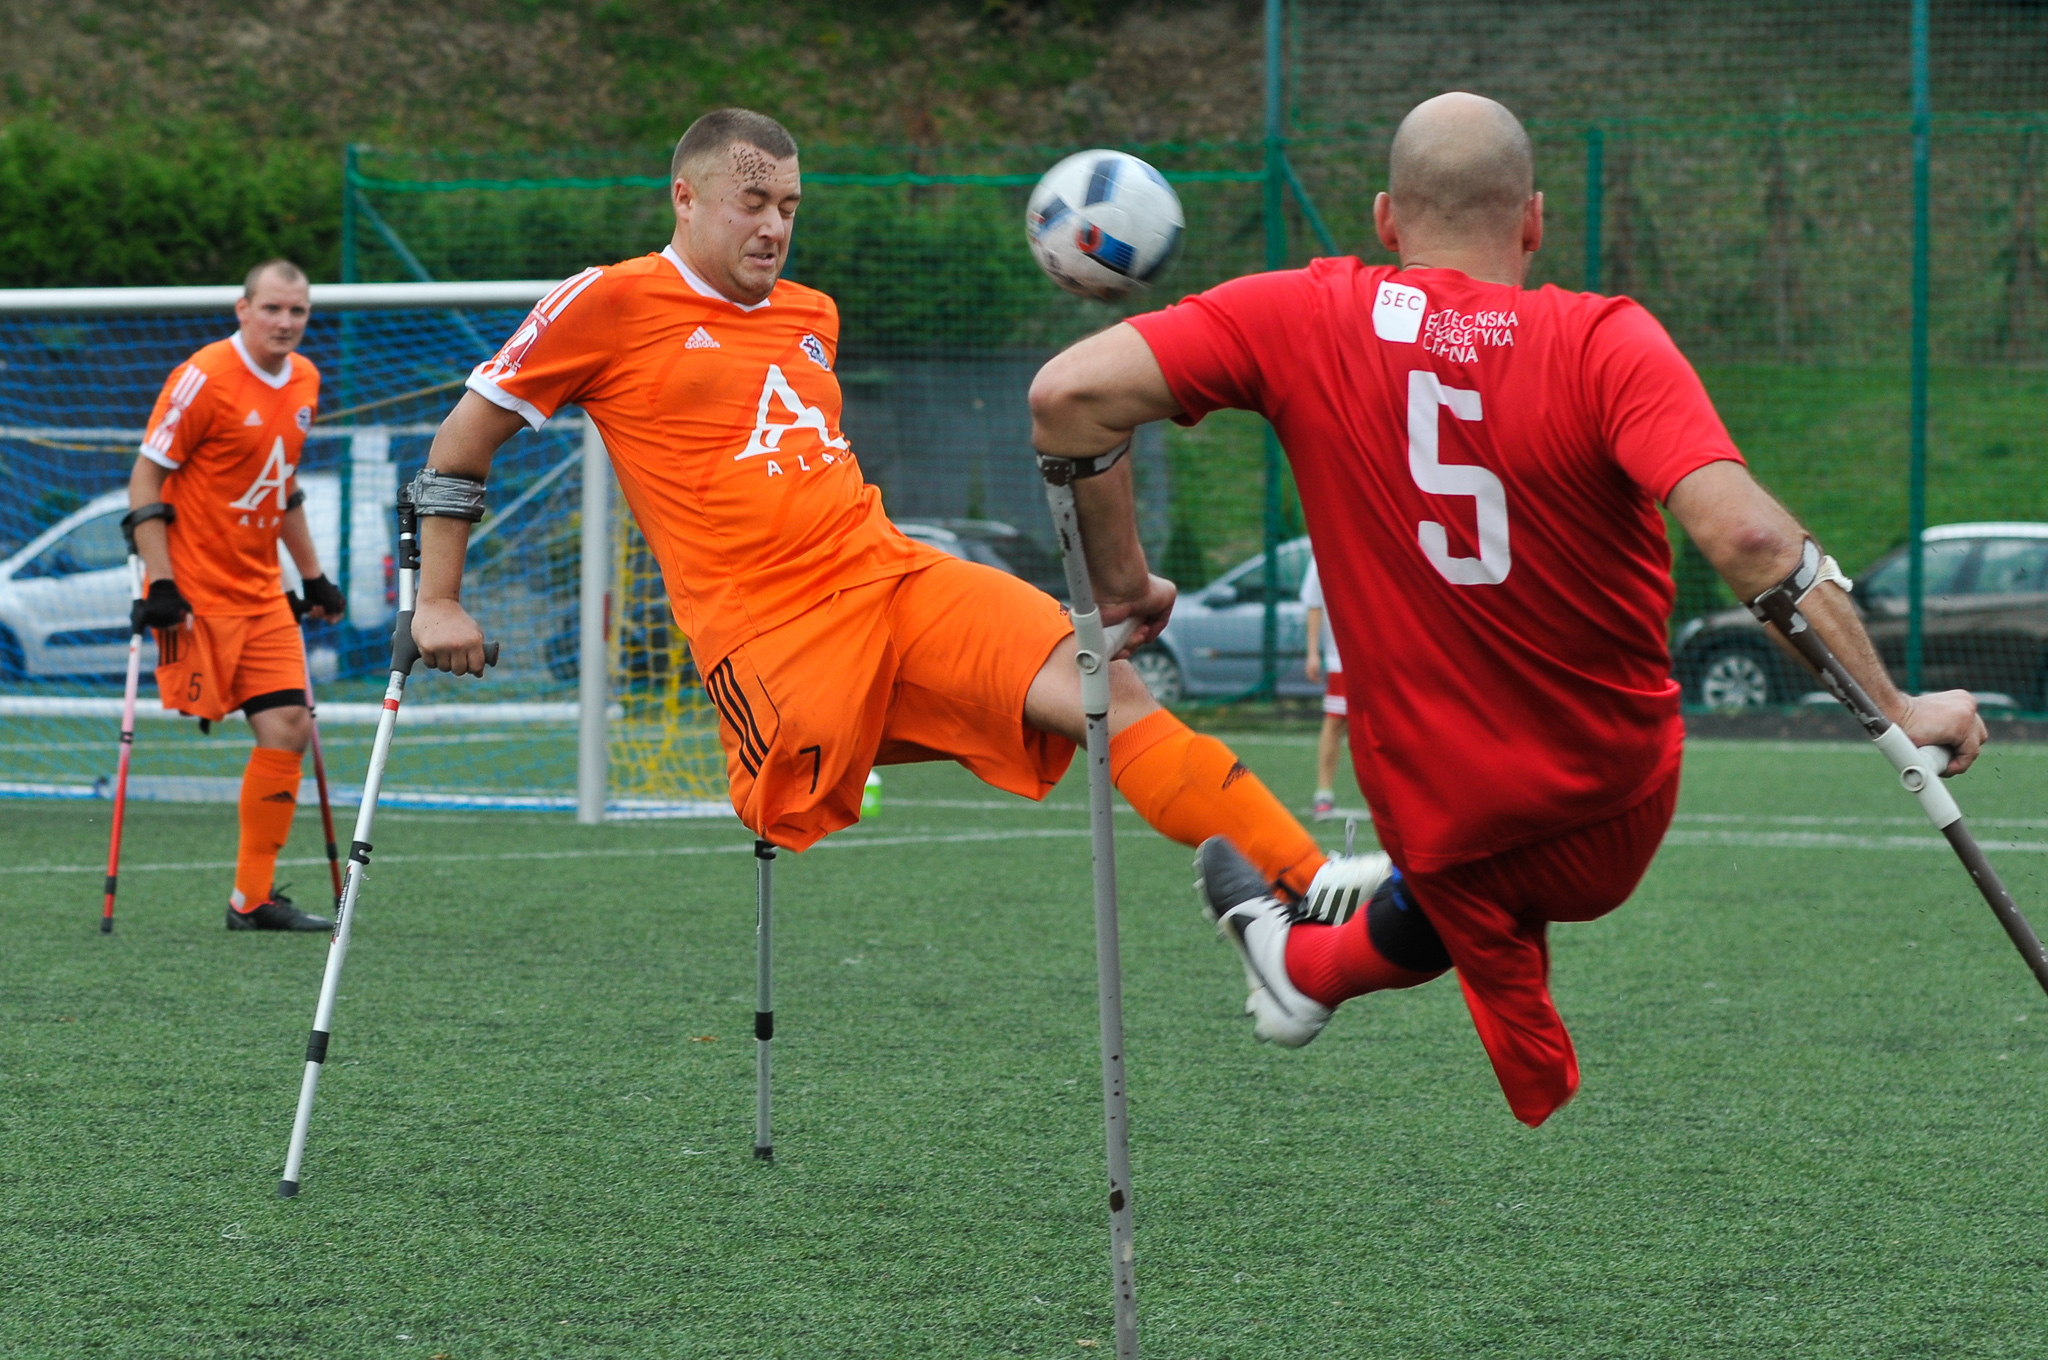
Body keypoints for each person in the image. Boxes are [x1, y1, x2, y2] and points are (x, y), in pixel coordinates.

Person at [1027, 92, 1987, 1128]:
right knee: (1476, 849)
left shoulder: (1300, 315)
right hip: (1611, 808)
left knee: (1457, 840)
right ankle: (1303, 961)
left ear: (1387, 220)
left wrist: (1121, 584)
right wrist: (1895, 702)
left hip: (1437, 806)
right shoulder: (1605, 343)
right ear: (1531, 219)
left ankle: (1317, 942)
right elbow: (1751, 542)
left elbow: (1066, 398)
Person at [409, 108, 1374, 913]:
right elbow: (461, 445)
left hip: (893, 574)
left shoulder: (813, 314)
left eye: (788, 205)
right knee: (797, 784)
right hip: (771, 637)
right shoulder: (606, 303)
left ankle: (1308, 890)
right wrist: (440, 601)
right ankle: (860, 725)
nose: (773, 226)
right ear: (686, 196)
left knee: (1105, 689)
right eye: (752, 202)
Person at [126, 259, 346, 932]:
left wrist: (311, 576)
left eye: (297, 311)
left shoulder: (305, 379)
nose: (286, 323)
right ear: (242, 309)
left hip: (261, 592)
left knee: (290, 727)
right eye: (273, 309)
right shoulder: (204, 379)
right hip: (195, 593)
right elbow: (144, 481)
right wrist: (160, 582)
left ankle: (251, 900)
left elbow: (284, 487)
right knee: (207, 714)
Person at [1298, 556, 1346, 821]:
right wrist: (1313, 653)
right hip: (1342, 654)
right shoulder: (1322, 554)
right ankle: (1323, 792)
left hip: (1379, 655)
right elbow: (1314, 604)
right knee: (1336, 720)